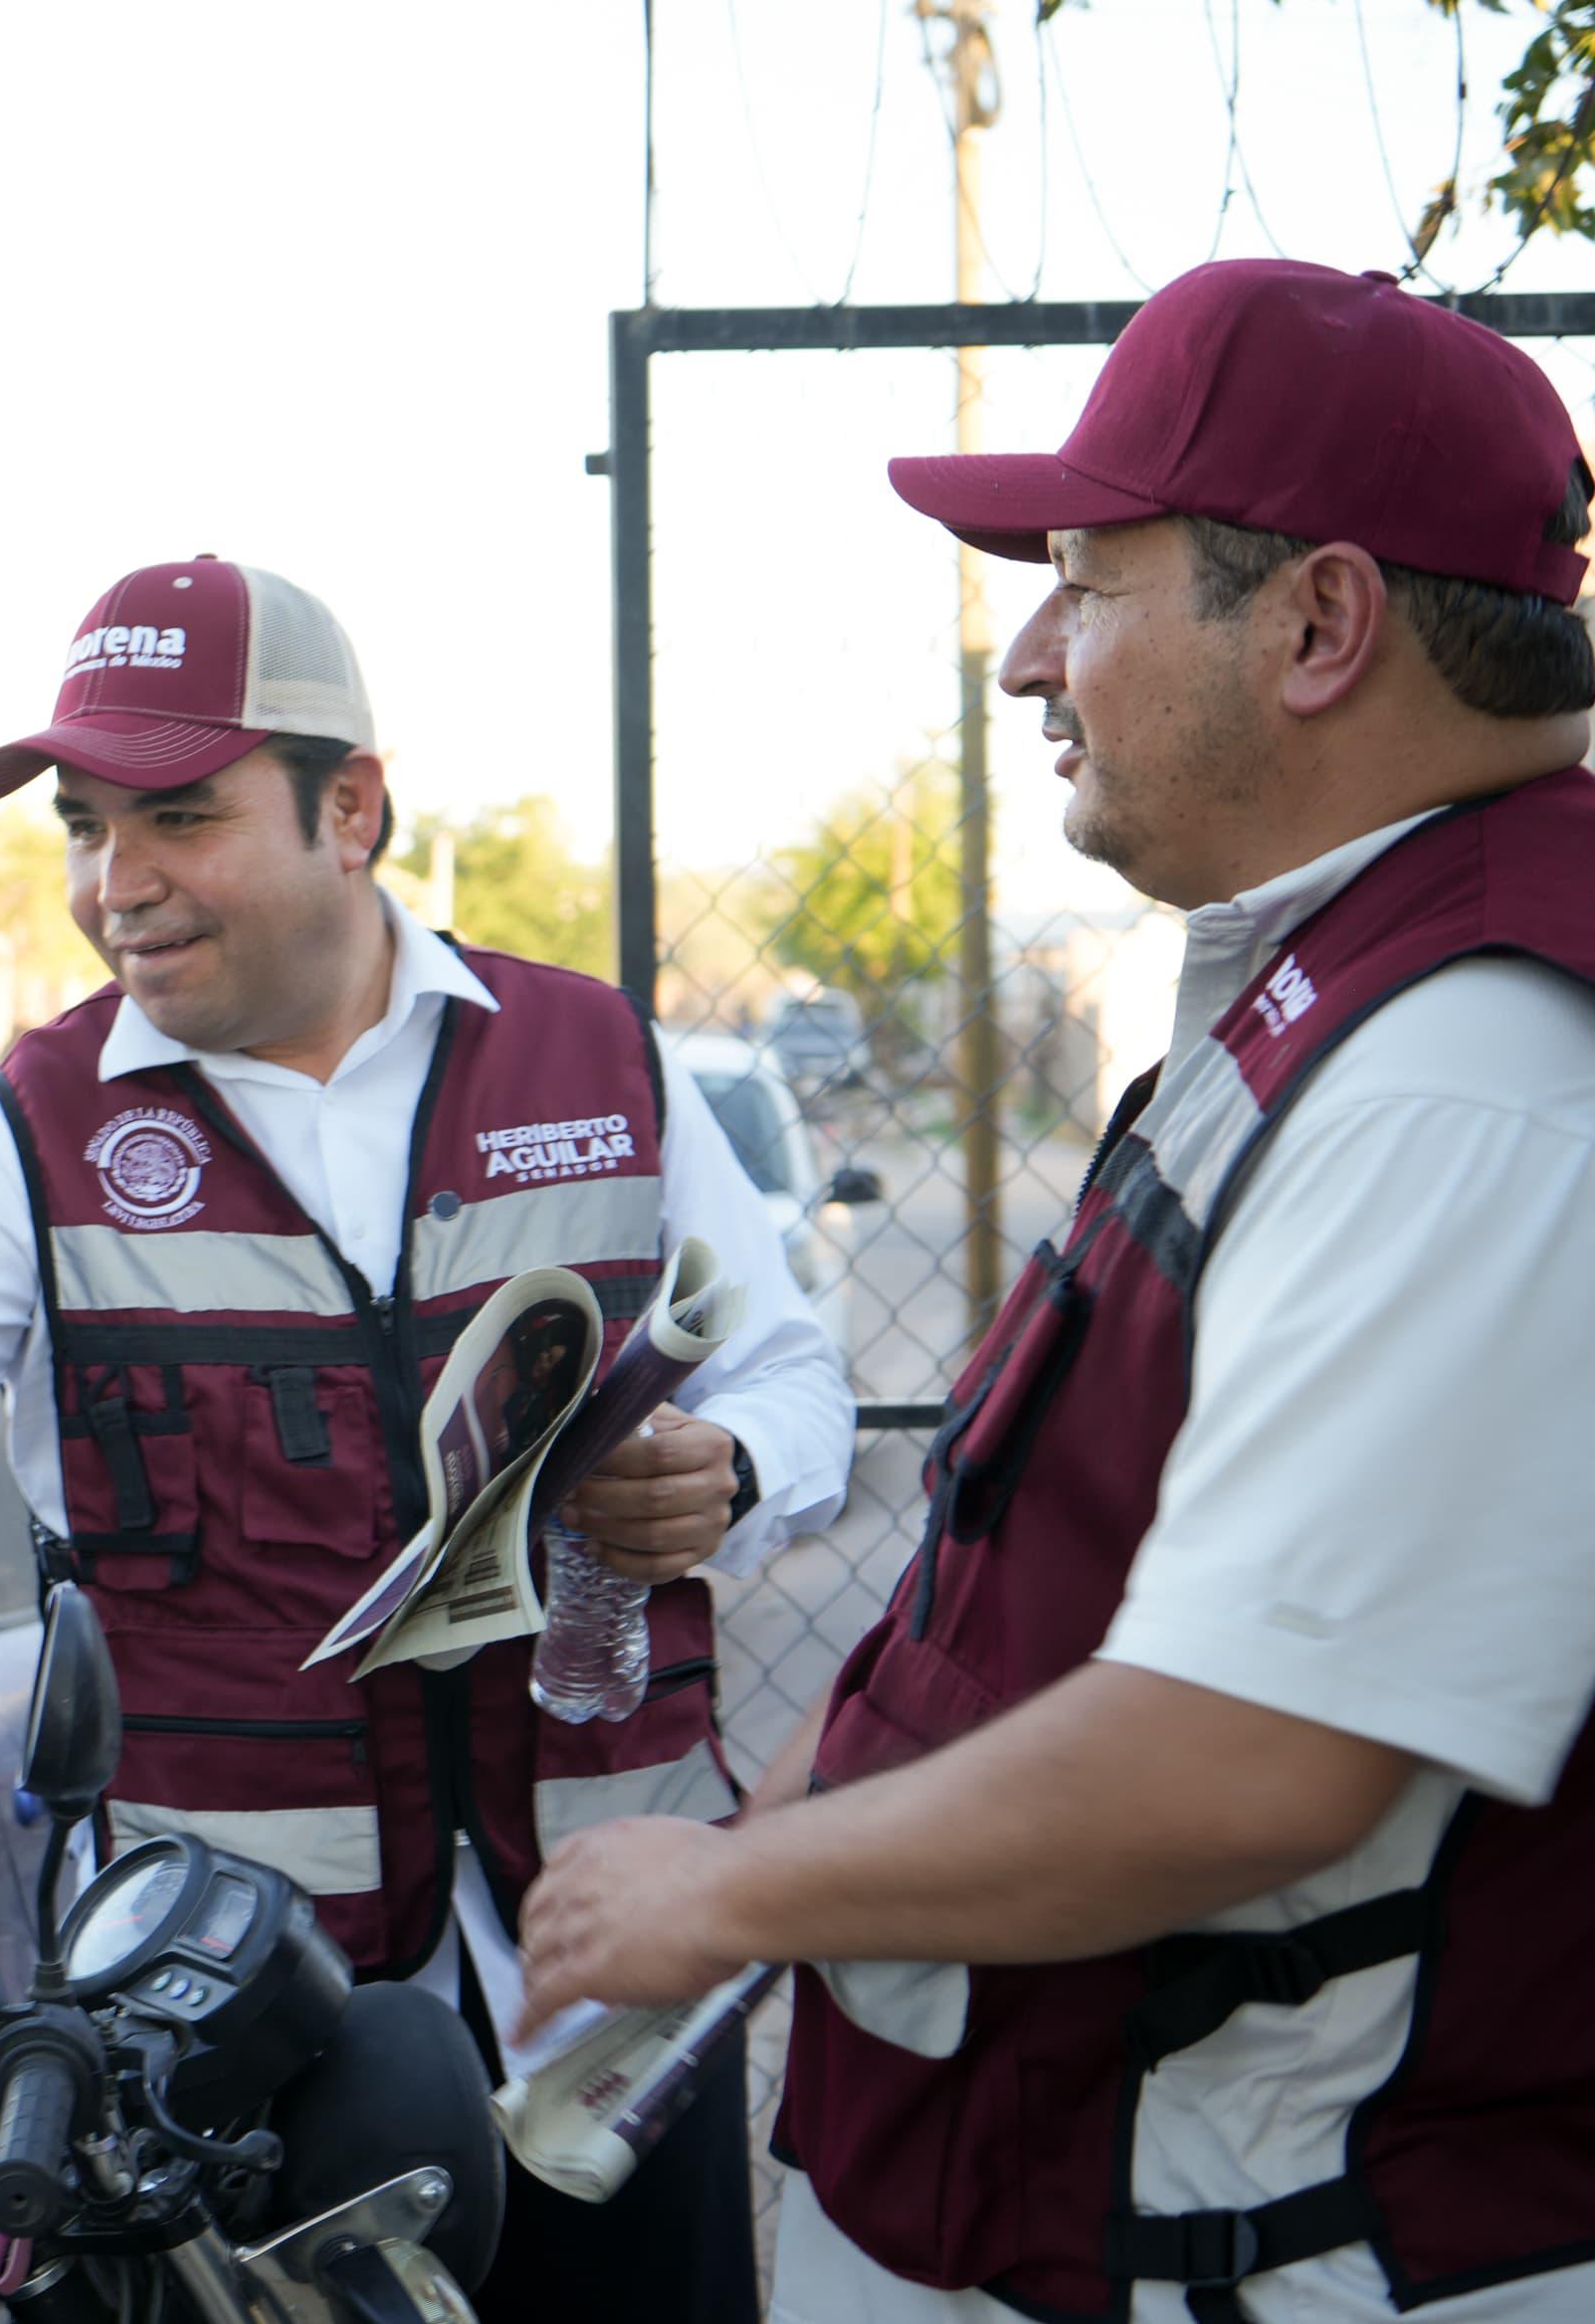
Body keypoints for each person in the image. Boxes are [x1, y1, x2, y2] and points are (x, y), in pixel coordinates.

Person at [514, 259, 1595, 2323]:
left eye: (1088, 582)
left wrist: (733, 1887)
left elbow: (1251, 1755)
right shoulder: (1350, 984)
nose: (1030, 657)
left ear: (1320, 624)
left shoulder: (1473, 1072)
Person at [0, 558, 856, 2319]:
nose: (119, 885)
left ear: (352, 809)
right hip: (252, 2029)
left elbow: (801, 1383)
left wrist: (724, 1475)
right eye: (85, 826)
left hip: (614, 1994)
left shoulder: (599, 1058)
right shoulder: (27, 1131)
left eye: (178, 815)